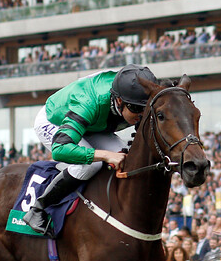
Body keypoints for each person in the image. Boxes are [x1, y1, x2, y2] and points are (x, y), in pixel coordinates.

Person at [23, 64, 160, 235]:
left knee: (127, 158)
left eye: (146, 109)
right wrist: (104, 155)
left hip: (94, 123)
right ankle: (38, 208)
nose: (142, 115)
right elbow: (60, 149)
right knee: (90, 165)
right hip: (56, 120)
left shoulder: (134, 93)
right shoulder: (88, 103)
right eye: (137, 109)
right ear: (119, 101)